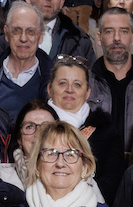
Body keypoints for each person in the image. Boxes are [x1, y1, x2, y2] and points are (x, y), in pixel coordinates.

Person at [45, 55, 122, 197]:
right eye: (62, 83)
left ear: (88, 92)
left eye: (77, 85)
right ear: (49, 89)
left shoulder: (106, 130)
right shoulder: (36, 124)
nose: (69, 90)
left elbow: (111, 179)